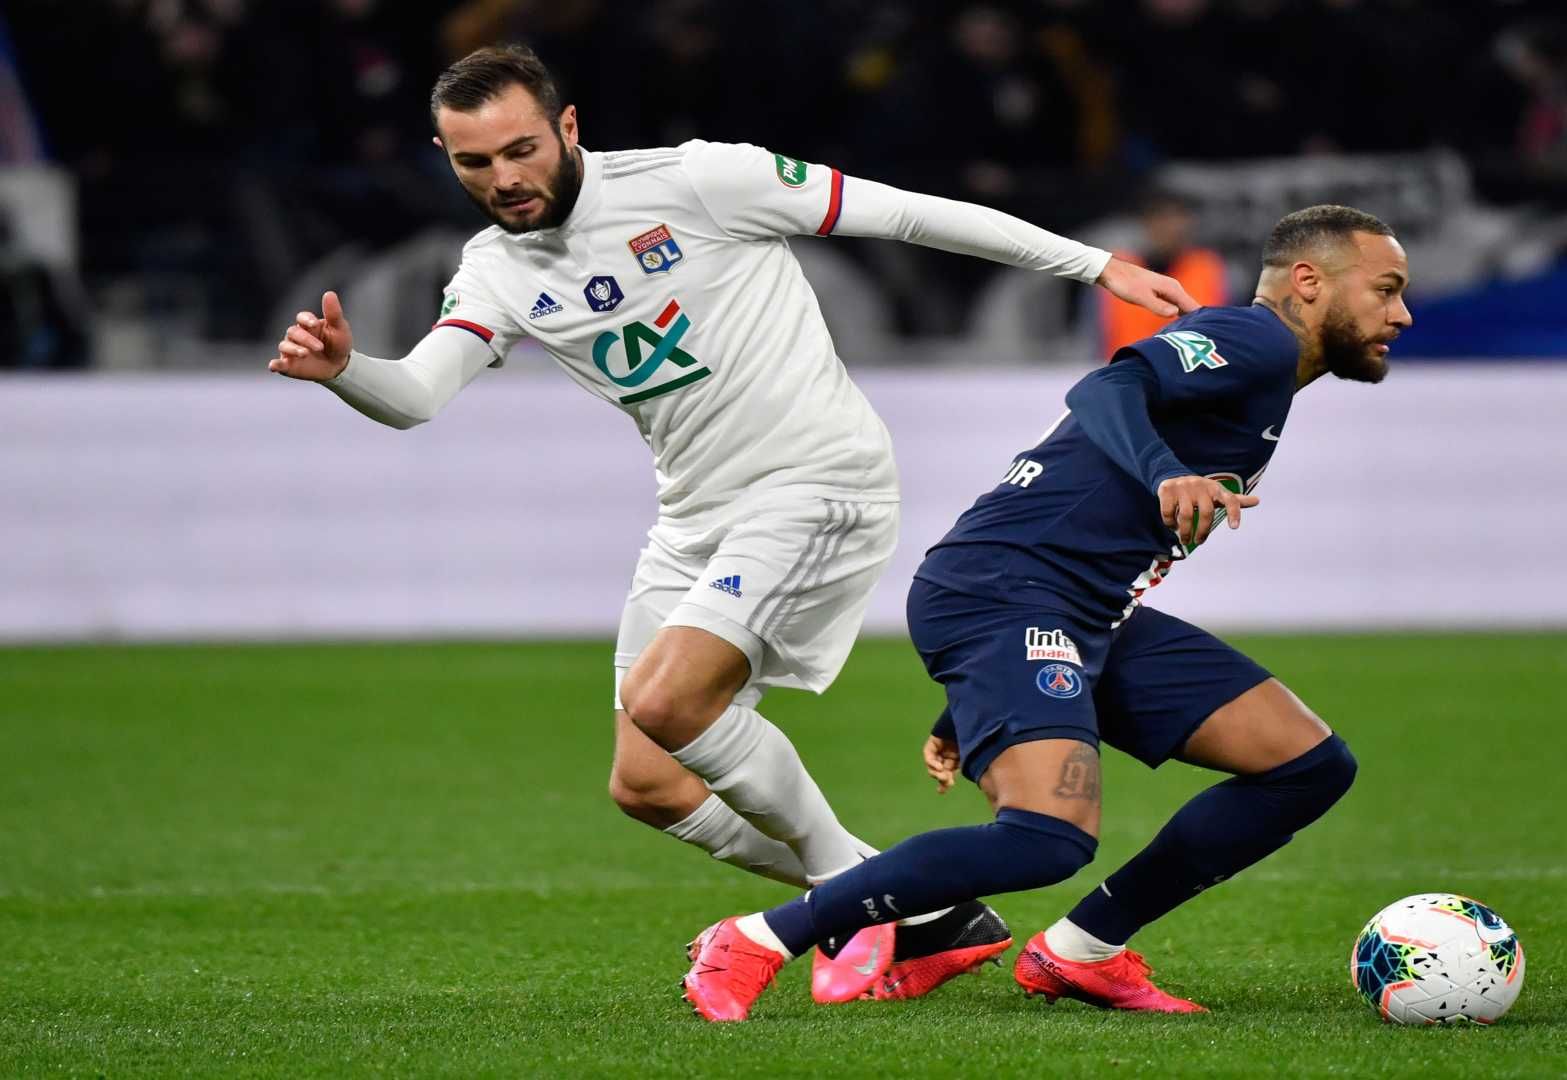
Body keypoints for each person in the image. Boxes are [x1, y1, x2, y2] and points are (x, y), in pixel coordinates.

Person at [268, 43, 1196, 1003]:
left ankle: (857, 903)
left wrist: (1095, 265)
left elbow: (908, 212)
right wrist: (346, 369)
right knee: (646, 780)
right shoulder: (495, 269)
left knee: (671, 706)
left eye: (522, 149)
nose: (504, 179)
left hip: (816, 478)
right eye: (475, 163)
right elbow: (419, 394)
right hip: (696, 512)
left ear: (569, 127)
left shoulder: (704, 180)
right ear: (443, 156)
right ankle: (912, 904)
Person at [681, 205, 1409, 1021]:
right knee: (1044, 838)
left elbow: (1085, 517)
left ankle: (1082, 952)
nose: (1401, 314)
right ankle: (758, 937)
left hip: (1071, 609)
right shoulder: (1256, 341)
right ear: (1308, 282)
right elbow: (1108, 384)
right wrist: (1167, 472)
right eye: (1385, 290)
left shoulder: (1265, 378)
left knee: (1306, 765)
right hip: (1007, 591)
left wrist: (969, 702)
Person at [1096, 189, 1231, 362]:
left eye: (1177, 219)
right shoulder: (1116, 269)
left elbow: (1229, 331)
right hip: (1126, 374)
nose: (1170, 228)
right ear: (1146, 223)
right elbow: (1093, 335)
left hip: (1194, 376)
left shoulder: (1210, 269)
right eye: (1162, 219)